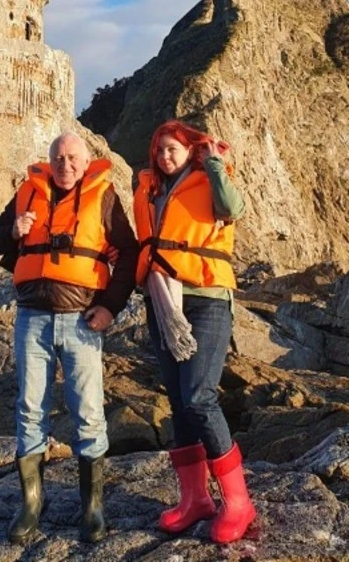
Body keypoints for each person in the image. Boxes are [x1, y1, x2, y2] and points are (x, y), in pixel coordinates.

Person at [0, 131, 139, 545]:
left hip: (81, 322)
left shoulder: (103, 197)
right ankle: (31, 504)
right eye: (58, 157)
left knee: (88, 410)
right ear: (49, 160)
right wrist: (14, 230)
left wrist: (109, 307)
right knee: (29, 407)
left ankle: (92, 508)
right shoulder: (27, 193)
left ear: (86, 162)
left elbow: (128, 253)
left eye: (73, 158)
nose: (65, 164)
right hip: (31, 318)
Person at [134, 119, 257, 544]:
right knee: (178, 402)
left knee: (199, 397)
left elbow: (233, 209)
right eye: (159, 150)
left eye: (173, 148)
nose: (164, 156)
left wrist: (215, 164)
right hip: (163, 301)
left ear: (190, 150)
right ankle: (195, 500)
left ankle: (238, 503)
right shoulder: (151, 191)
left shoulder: (210, 179)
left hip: (206, 299)